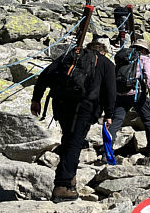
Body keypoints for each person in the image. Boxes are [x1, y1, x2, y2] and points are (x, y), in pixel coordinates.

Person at [30, 38, 116, 203]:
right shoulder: (105, 63)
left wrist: (36, 99)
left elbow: (45, 75)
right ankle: (62, 186)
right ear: (103, 51)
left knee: (68, 139)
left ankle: (70, 181)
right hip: (84, 107)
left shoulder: (71, 56)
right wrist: (109, 114)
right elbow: (110, 91)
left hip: (60, 103)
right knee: (75, 142)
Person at [108, 40, 150, 159]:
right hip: (137, 94)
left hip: (120, 93)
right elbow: (149, 77)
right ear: (143, 50)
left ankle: (107, 151)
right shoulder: (144, 59)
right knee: (148, 121)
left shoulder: (122, 56)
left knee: (116, 122)